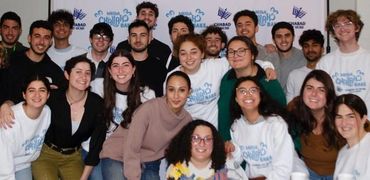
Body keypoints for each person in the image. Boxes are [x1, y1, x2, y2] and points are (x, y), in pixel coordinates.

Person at [30, 56, 106, 179]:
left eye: (88, 73)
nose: (83, 77)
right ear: (67, 74)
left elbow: (96, 145)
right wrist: (7, 105)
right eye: (78, 72)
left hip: (73, 158)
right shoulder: (53, 98)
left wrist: (83, 178)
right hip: (46, 155)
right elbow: (28, 99)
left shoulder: (97, 104)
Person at [87, 49, 155, 180]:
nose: (120, 70)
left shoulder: (146, 94)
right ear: (109, 71)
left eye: (125, 65)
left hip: (134, 150)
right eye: (115, 66)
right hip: (107, 150)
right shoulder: (98, 87)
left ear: (133, 69)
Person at [230, 76, 305, 179]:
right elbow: (235, 161)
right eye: (242, 91)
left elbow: (283, 168)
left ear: (260, 95)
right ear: (236, 99)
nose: (248, 94)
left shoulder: (276, 124)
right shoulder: (237, 126)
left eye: (253, 90)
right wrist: (231, 150)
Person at [218, 36, 286, 148]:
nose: (236, 55)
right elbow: (224, 113)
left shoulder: (267, 79)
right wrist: (225, 139)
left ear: (253, 55)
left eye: (241, 51)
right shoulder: (227, 78)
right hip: (235, 142)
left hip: (267, 143)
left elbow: (282, 112)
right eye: (231, 52)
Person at [123, 71, 193, 180]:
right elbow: (131, 149)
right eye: (171, 90)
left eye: (182, 90)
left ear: (189, 92)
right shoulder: (148, 109)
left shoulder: (187, 121)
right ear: (166, 91)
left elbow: (181, 155)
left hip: (150, 161)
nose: (176, 96)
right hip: (121, 154)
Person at [291, 70, 344, 180]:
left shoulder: (340, 112)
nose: (314, 94)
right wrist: (266, 66)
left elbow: (365, 128)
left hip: (339, 174)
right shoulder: (295, 108)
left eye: (321, 90)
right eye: (309, 88)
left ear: (329, 94)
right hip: (308, 174)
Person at [0, 20, 65, 106]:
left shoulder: (55, 71)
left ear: (50, 42)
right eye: (37, 36)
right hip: (8, 116)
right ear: (29, 38)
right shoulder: (11, 60)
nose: (41, 42)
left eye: (46, 37)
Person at [317, 9, 370, 111]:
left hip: (367, 123)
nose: (342, 28)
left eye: (347, 23)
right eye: (337, 25)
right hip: (336, 122)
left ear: (357, 28)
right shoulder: (325, 62)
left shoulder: (368, 58)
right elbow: (322, 95)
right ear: (333, 32)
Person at [0, 75, 51, 180]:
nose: (37, 95)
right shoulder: (10, 119)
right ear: (24, 95)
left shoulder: (47, 111)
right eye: (31, 90)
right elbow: (4, 160)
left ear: (48, 95)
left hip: (23, 164)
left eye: (42, 90)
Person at [165, 119, 247, 180]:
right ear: (187, 140)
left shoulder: (228, 166)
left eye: (207, 139)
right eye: (196, 138)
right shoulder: (175, 169)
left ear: (214, 143)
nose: (202, 143)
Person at [333, 94, 370, 179]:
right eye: (339, 117)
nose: (344, 123)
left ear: (364, 119)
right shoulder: (342, 153)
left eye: (351, 116)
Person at [127, 19, 167, 97]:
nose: (138, 40)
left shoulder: (159, 67)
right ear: (128, 39)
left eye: (143, 35)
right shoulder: (119, 64)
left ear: (149, 39)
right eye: (134, 35)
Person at [286, 29, 325, 102]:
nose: (310, 49)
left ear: (322, 49)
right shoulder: (294, 75)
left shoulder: (328, 73)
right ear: (302, 49)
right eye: (306, 46)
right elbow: (290, 105)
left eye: (315, 45)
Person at [268, 21, 306, 91]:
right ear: (273, 40)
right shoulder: (268, 60)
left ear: (293, 38)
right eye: (279, 36)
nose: (283, 40)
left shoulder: (305, 57)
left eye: (287, 35)